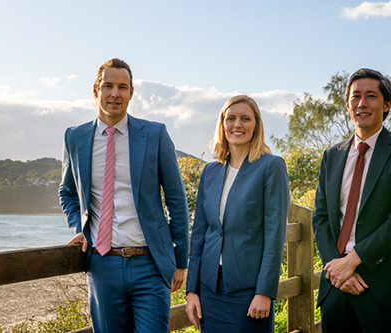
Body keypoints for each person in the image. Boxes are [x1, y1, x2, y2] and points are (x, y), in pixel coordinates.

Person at [58, 58, 189, 333]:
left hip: (150, 264)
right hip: (102, 265)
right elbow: (67, 192)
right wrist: (78, 227)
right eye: (108, 86)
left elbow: (177, 200)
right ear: (96, 89)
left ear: (131, 92)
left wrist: (180, 261)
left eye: (122, 87)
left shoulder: (155, 134)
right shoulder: (75, 138)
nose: (115, 93)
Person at [312, 68, 391, 332]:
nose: (362, 104)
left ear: (387, 104)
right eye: (355, 96)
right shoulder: (331, 156)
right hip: (336, 285)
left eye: (371, 96)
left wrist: (352, 261)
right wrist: (337, 268)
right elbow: (320, 217)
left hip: (384, 285)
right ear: (347, 104)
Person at [185, 95, 290, 332]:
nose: (237, 125)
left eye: (245, 118)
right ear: (222, 125)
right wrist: (192, 290)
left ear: (256, 125)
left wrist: (264, 291)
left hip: (248, 292)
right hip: (209, 290)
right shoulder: (210, 171)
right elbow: (199, 234)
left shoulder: (271, 167)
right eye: (230, 118)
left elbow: (275, 235)